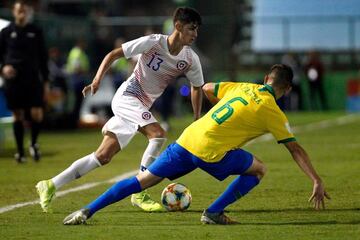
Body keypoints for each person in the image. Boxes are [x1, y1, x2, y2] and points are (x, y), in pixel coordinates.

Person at [62, 64, 330, 225]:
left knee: (142, 181)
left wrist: (219, 115)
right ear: (288, 89)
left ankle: (87, 210)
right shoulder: (273, 110)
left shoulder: (242, 87)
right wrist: (316, 179)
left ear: (264, 80)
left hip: (189, 138)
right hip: (211, 151)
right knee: (259, 169)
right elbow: (295, 148)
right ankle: (213, 212)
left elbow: (208, 87)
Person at [36, 7, 203, 213]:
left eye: (197, 30)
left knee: (103, 156)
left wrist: (197, 119)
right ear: (178, 26)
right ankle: (139, 192)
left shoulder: (190, 59)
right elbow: (114, 54)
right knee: (158, 135)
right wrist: (96, 80)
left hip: (140, 105)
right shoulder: (154, 42)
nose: (195, 34)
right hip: (127, 97)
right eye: (191, 29)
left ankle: (50, 184)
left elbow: (197, 87)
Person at [0, 0, 49, 163]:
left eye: (24, 10)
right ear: (14, 12)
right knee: (17, 115)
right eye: (19, 10)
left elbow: (43, 57)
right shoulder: (6, 32)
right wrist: (4, 68)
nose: (22, 13)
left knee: (37, 113)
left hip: (33, 78)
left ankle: (33, 143)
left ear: (28, 12)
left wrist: (46, 81)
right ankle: (20, 152)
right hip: (13, 80)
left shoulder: (36, 31)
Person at [65, 39, 90, 126]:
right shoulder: (77, 52)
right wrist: (85, 71)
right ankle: (73, 122)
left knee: (77, 102)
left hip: (75, 79)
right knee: (77, 102)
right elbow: (77, 67)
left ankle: (74, 121)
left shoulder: (74, 52)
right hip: (77, 80)